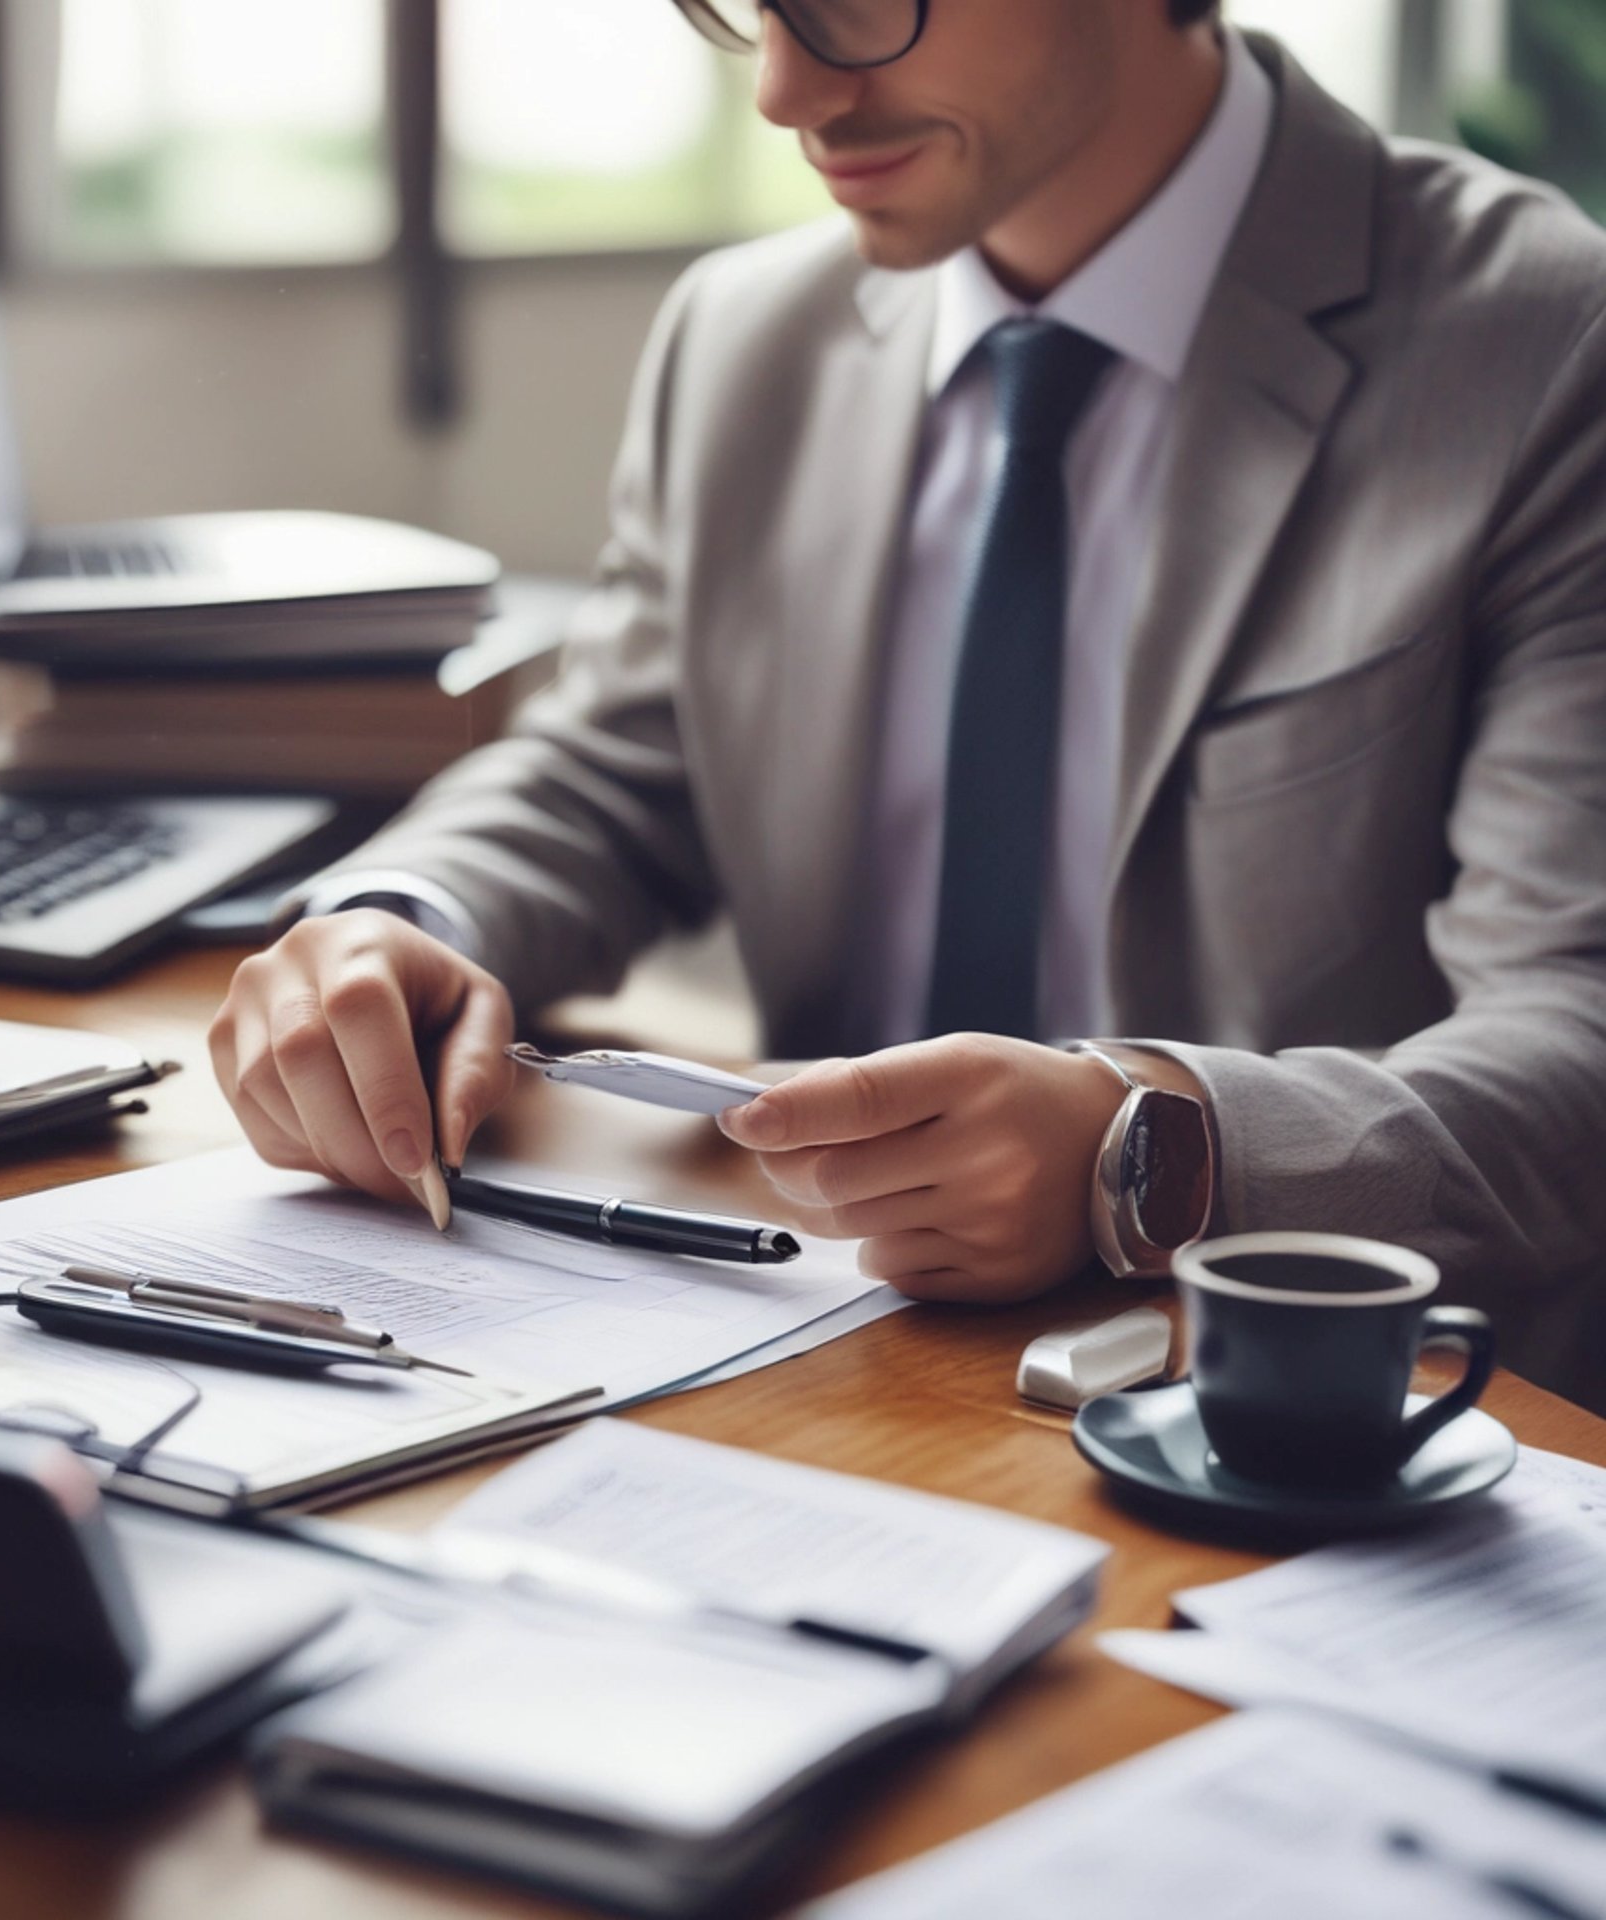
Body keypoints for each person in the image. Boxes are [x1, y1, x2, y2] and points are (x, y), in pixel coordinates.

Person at [209, 0, 1606, 1403]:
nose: (783, 89)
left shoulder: (1546, 345)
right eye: (749, 8)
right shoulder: (742, 337)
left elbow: (1577, 1038)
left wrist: (1153, 1147)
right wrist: (401, 921)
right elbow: (612, 768)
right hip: (814, 1356)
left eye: (858, 5)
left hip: (1307, 1419)